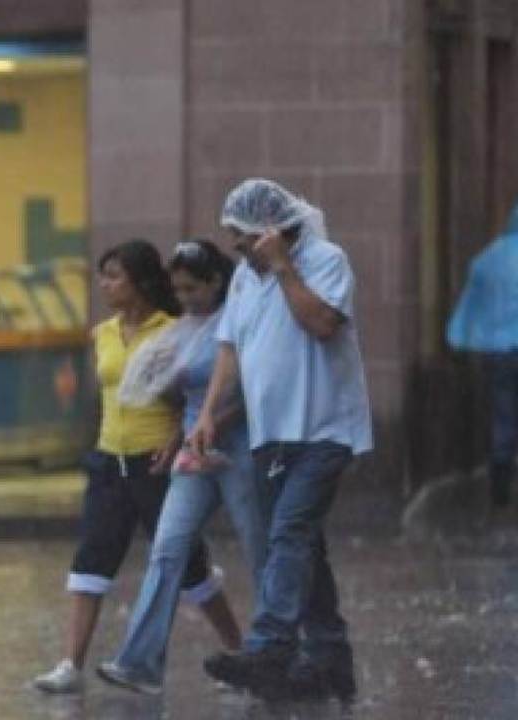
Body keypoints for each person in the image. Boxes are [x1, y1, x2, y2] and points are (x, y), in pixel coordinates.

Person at [31, 239, 242, 695]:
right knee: (91, 559)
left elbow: (185, 398)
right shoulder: (101, 333)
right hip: (109, 460)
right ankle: (71, 663)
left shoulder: (175, 330)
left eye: (114, 276)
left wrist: (175, 438)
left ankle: (238, 646)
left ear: (142, 281)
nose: (105, 284)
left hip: (157, 463)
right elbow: (106, 395)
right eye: (102, 275)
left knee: (189, 567)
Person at [193, 179, 372, 703]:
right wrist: (208, 414)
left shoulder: (325, 259)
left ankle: (271, 645)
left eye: (242, 239)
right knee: (303, 546)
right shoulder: (245, 280)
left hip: (323, 429)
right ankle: (330, 658)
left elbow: (321, 324)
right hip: (271, 433)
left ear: (272, 233)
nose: (237, 250)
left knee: (289, 532)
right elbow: (229, 347)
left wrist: (283, 267)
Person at [95, 239, 270, 695]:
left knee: (258, 546)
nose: (186, 298)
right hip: (194, 450)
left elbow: (256, 391)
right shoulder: (183, 327)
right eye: (180, 289)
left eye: (193, 288)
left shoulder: (240, 320)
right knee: (168, 546)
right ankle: (140, 662)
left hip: (238, 445)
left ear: (216, 281)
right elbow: (178, 394)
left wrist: (215, 422)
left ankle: (275, 650)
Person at [446, 202, 518, 507]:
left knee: (504, 413)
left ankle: (500, 487)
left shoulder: (487, 260)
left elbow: (471, 306)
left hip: (499, 352)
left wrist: (459, 336)